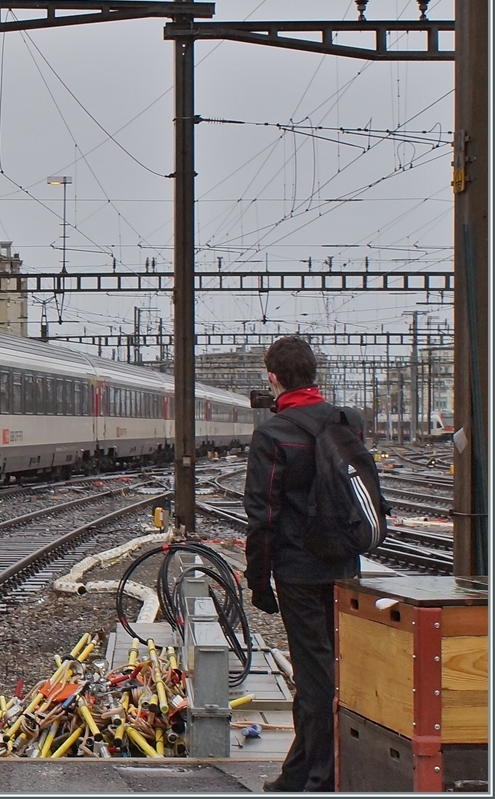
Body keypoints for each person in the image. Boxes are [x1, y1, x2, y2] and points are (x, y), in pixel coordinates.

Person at [244, 336, 364, 793]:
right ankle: (299, 771)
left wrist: (259, 580)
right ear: (314, 375)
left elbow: (263, 516)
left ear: (273, 378)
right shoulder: (346, 420)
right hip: (344, 565)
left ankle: (320, 778)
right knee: (331, 670)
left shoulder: (274, 433)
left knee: (314, 678)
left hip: (298, 570)